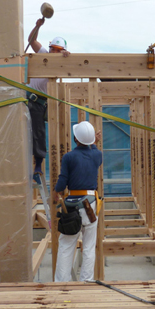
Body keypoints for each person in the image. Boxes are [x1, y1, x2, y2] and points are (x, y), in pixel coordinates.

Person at [54, 121, 103, 282]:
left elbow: (62, 182)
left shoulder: (69, 157)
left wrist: (56, 192)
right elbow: (94, 152)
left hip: (72, 207)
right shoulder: (97, 155)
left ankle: (61, 284)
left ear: (75, 138)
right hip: (90, 206)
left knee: (66, 246)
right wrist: (93, 143)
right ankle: (86, 282)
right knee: (89, 247)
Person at [27, 18, 70, 179]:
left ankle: (38, 167)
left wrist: (67, 58)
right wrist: (37, 26)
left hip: (39, 102)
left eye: (58, 50)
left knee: (38, 132)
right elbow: (31, 40)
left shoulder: (61, 64)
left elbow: (72, 65)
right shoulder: (43, 54)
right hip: (26, 97)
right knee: (20, 131)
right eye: (53, 49)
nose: (54, 52)